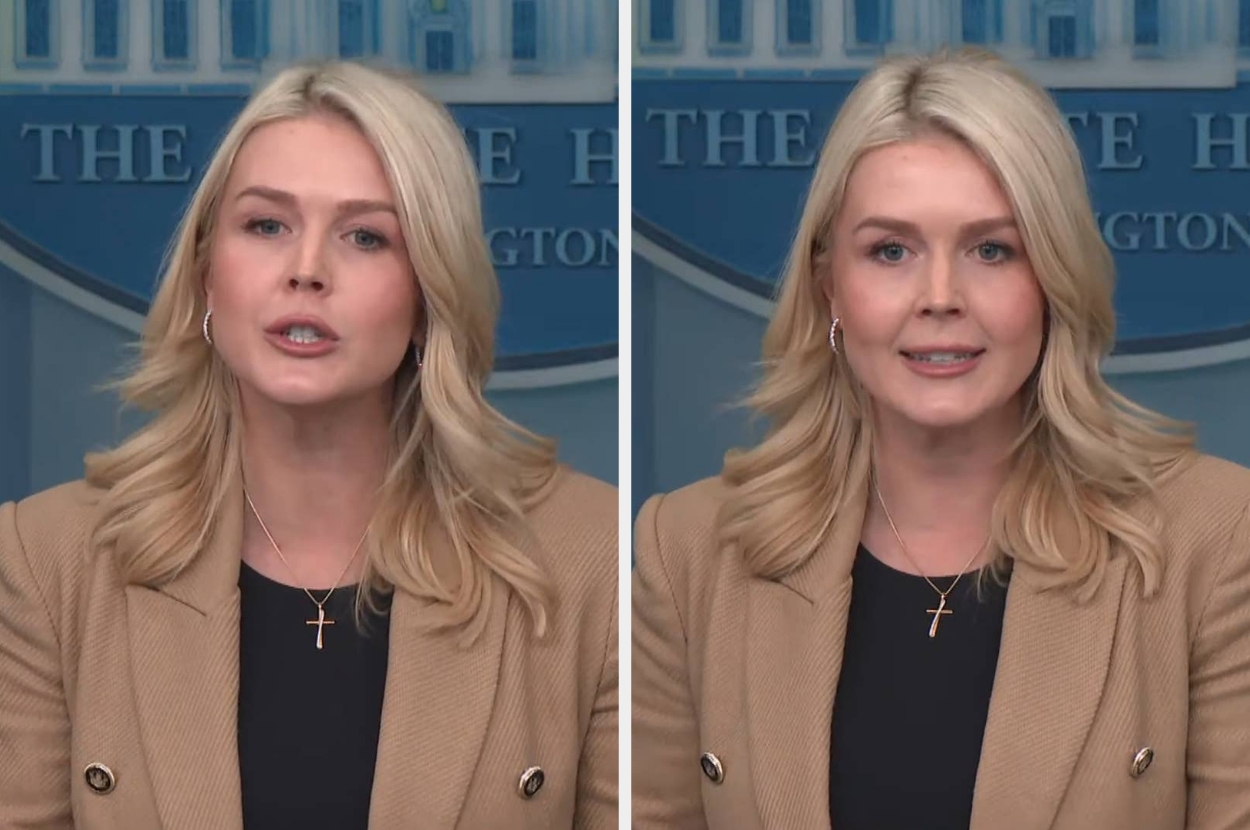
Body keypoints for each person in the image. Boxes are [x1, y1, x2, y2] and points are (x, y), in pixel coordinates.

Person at [632, 47, 1250, 830]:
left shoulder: (1218, 539)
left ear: (1054, 281)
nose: (940, 298)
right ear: (830, 286)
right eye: (891, 251)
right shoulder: (687, 551)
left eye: (992, 250)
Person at [0, 61, 617, 829]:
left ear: (430, 296)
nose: (305, 271)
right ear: (205, 278)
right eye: (267, 225)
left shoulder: (590, 560)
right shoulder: (46, 561)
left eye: (365, 236)